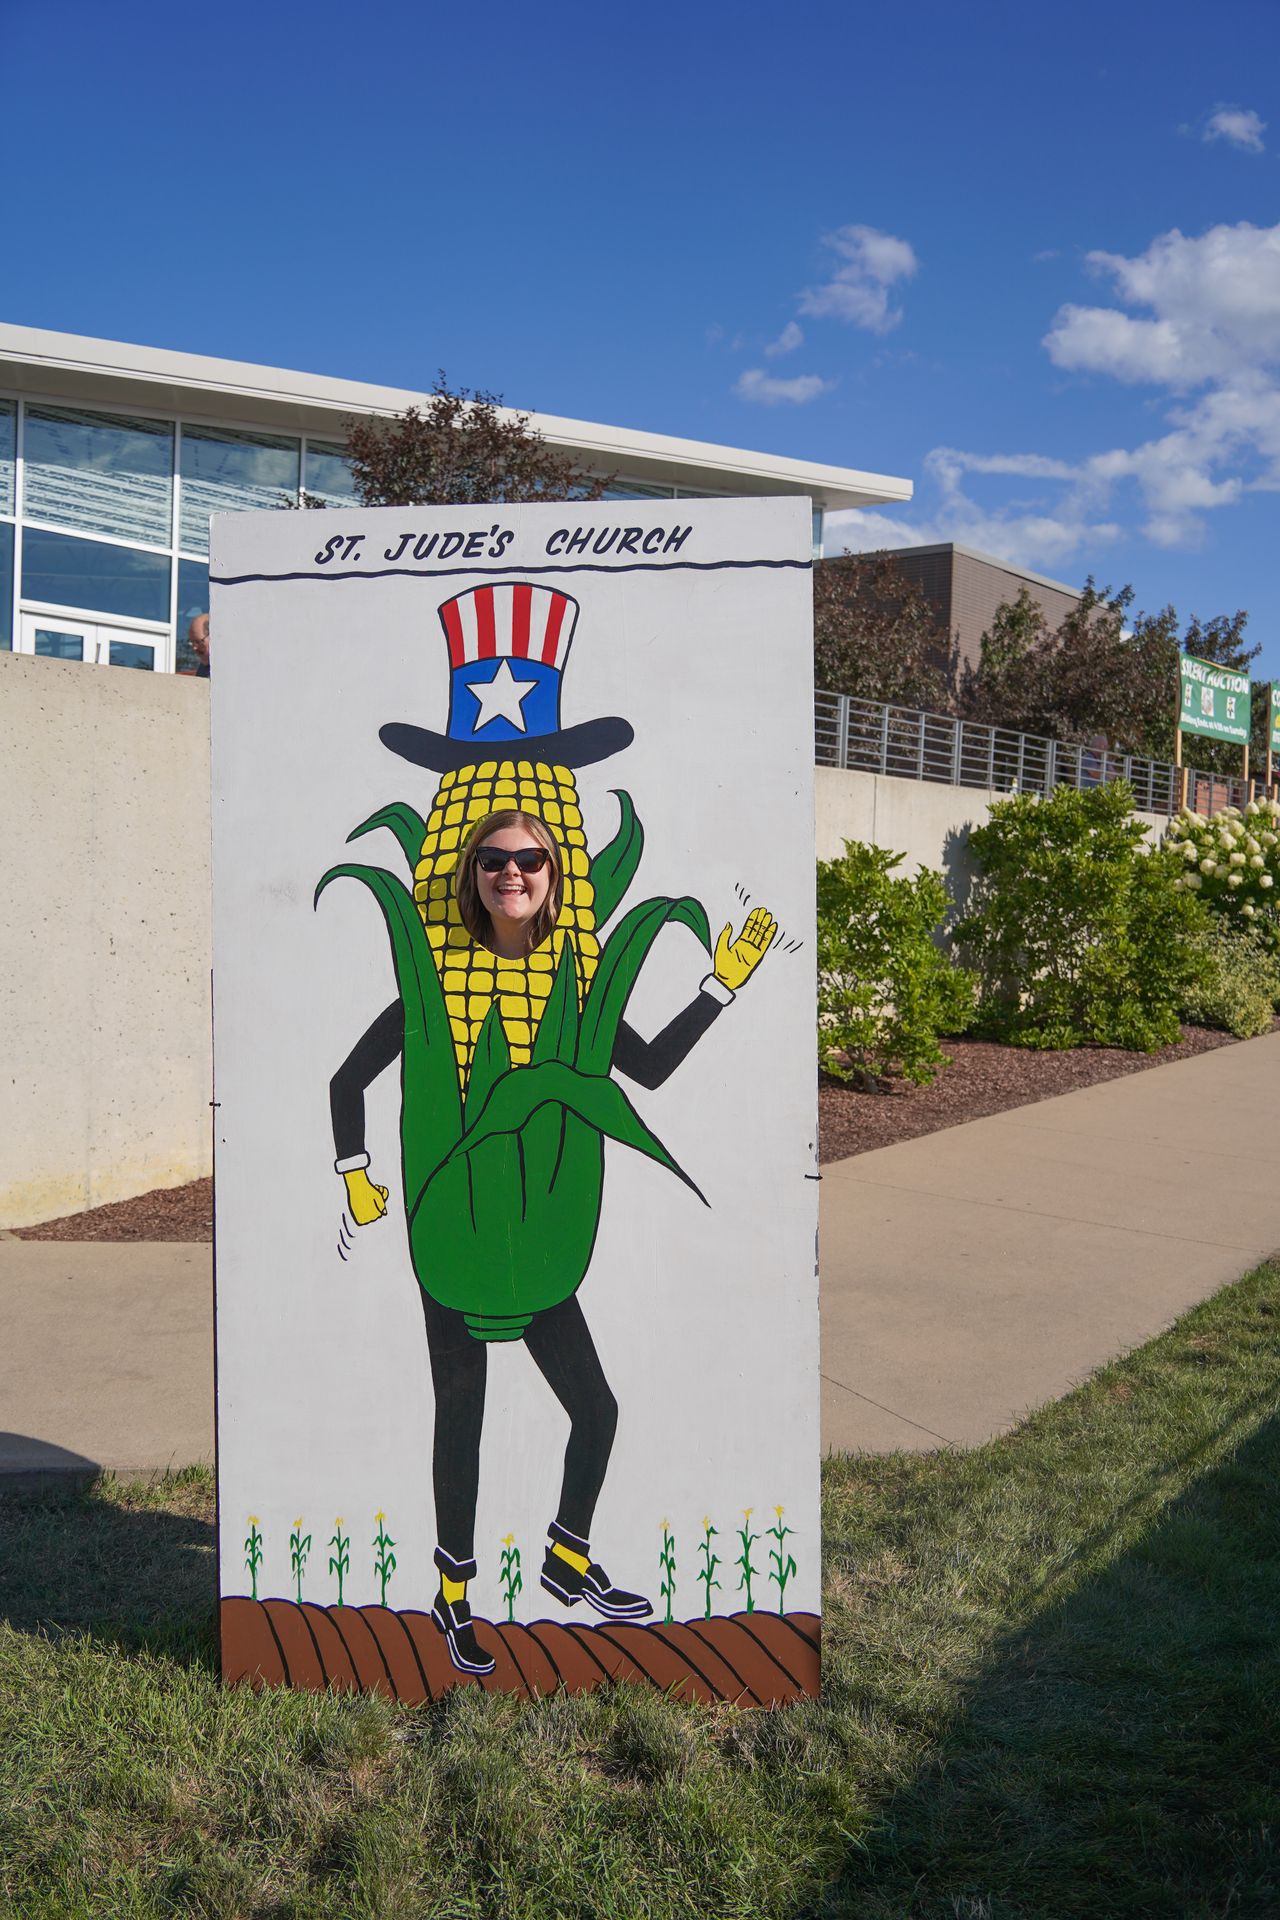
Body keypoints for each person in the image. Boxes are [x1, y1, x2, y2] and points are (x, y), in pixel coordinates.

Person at [330, 807, 774, 1674]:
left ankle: (566, 1560)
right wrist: (356, 1172)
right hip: (455, 1228)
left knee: (596, 1410)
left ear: (552, 877)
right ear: (473, 878)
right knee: (463, 1412)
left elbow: (643, 1069)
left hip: (537, 1233)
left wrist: (718, 987)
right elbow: (348, 1078)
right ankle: (454, 1596)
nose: (512, 872)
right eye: (494, 859)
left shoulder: (573, 987)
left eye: (531, 859)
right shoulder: (439, 977)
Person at [187, 613, 210, 678]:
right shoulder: (202, 669)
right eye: (192, 642)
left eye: (198, 642)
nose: (194, 648)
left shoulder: (230, 667)